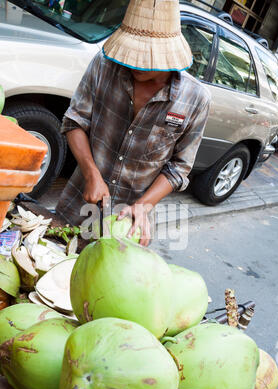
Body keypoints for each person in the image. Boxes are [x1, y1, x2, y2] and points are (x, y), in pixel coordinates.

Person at [56, 0, 211, 246]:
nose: (135, 65)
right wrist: (91, 172)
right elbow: (74, 120)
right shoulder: (105, 66)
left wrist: (143, 205)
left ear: (167, 54)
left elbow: (179, 168)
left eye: (146, 59)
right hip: (77, 206)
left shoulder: (195, 99)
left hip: (129, 227)